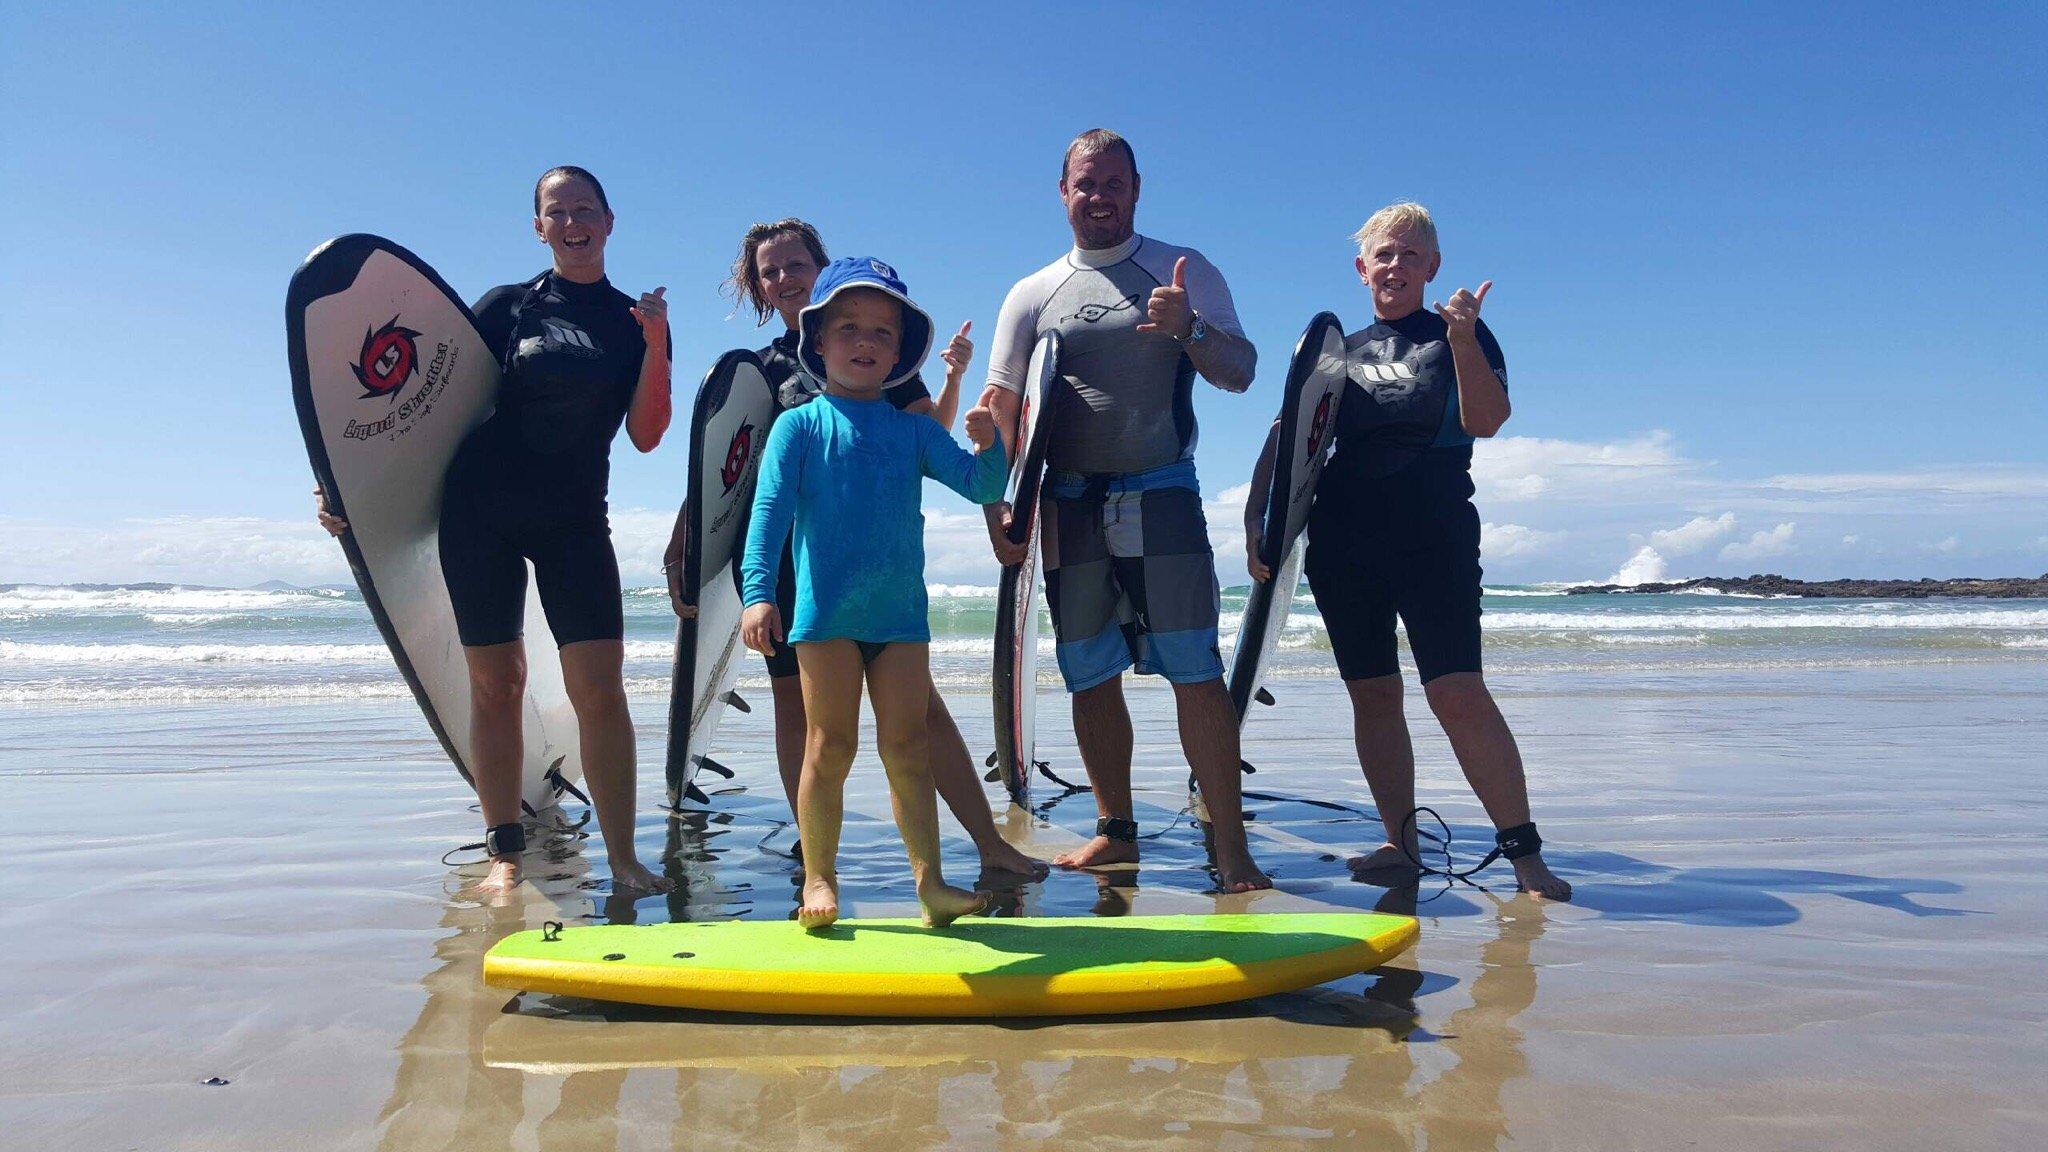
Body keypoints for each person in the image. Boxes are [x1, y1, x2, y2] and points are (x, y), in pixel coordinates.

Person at [318, 166, 672, 895]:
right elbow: (419, 404)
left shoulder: (631, 322)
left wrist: (659, 343)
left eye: (585, 209)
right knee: (496, 683)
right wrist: (351, 485)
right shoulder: (507, 306)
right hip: (482, 510)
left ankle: (625, 860)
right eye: (557, 211)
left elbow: (646, 434)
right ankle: (505, 852)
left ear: (610, 221)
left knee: (599, 689)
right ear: (537, 227)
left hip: (575, 517)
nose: (572, 222)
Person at [665, 219, 1046, 878]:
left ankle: (988, 843)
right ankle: (812, 852)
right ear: (759, 286)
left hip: (877, 568)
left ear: (821, 268)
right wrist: (687, 534)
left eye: (795, 264)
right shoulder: (764, 371)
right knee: (802, 715)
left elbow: (929, 440)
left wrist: (995, 513)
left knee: (920, 714)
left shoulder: (871, 339)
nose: (784, 277)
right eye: (770, 270)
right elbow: (731, 465)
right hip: (794, 564)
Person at [1243, 202, 1571, 900]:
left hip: (1435, 537)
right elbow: (1289, 434)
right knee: (1372, 695)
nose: (1396, 266)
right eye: (1384, 254)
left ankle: (1524, 855)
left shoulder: (1462, 336)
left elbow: (1487, 421)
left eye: (1410, 255)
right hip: (1344, 539)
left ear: (1432, 267)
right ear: (1363, 268)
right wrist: (1257, 519)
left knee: (1456, 692)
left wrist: (1461, 340)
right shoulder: (1337, 349)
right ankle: (1401, 841)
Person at [977, 128, 1270, 892]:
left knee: (1194, 670)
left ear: (1136, 190)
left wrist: (1191, 330)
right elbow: (1004, 407)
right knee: (1088, 673)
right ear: (1062, 191)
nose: (1099, 195)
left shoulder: (1182, 270)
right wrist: (996, 511)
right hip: (1068, 504)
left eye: (1113, 182)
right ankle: (1116, 831)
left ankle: (1232, 848)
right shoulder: (1032, 292)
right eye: (1085, 183)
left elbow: (1241, 372)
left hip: (1163, 489)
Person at [738, 257, 1008, 929]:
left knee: (909, 749)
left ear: (899, 351)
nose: (866, 342)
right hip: (825, 617)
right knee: (829, 748)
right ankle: (820, 880)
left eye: (883, 333)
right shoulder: (798, 427)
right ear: (819, 342)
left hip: (899, 620)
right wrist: (757, 595)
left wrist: (992, 445)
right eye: (849, 328)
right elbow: (768, 514)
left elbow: (979, 486)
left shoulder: (914, 429)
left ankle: (932, 884)